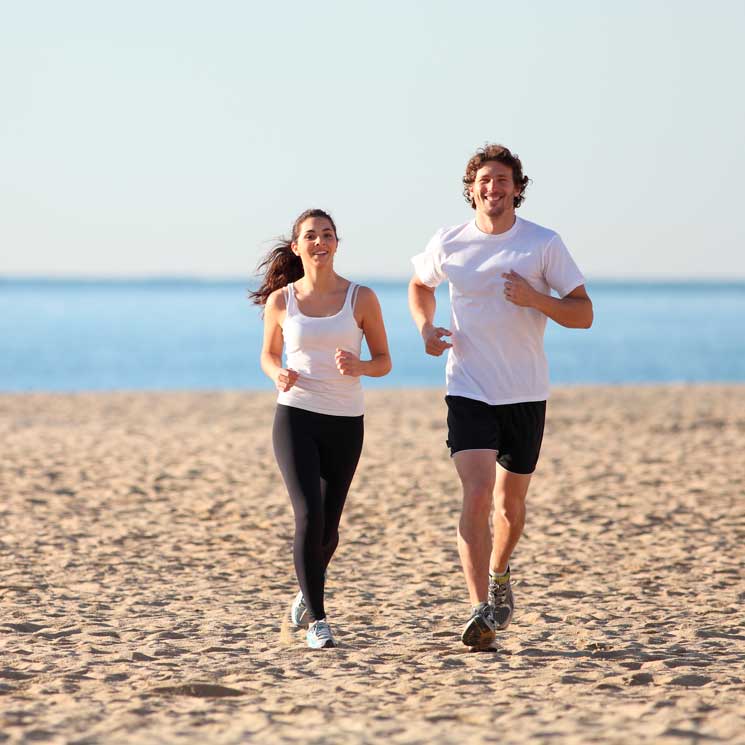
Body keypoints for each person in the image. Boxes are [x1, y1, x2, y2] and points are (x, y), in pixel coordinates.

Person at [408, 144, 593, 649]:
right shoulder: (449, 241)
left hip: (525, 391)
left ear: (517, 188)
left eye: (502, 180)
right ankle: (479, 608)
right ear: (472, 188)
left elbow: (583, 313)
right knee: (476, 492)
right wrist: (425, 327)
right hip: (467, 385)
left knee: (510, 506)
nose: (493, 188)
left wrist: (535, 299)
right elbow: (419, 284)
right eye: (484, 180)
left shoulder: (542, 244)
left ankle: (501, 573)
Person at [252, 208, 391, 649]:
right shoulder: (282, 301)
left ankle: (304, 590)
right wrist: (277, 374)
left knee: (329, 530)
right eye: (310, 236)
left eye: (327, 235)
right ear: (297, 247)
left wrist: (361, 366)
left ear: (336, 243)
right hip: (295, 415)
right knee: (308, 515)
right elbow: (268, 356)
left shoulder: (361, 298)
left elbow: (385, 361)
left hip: (346, 421)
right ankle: (318, 620)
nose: (320, 242)